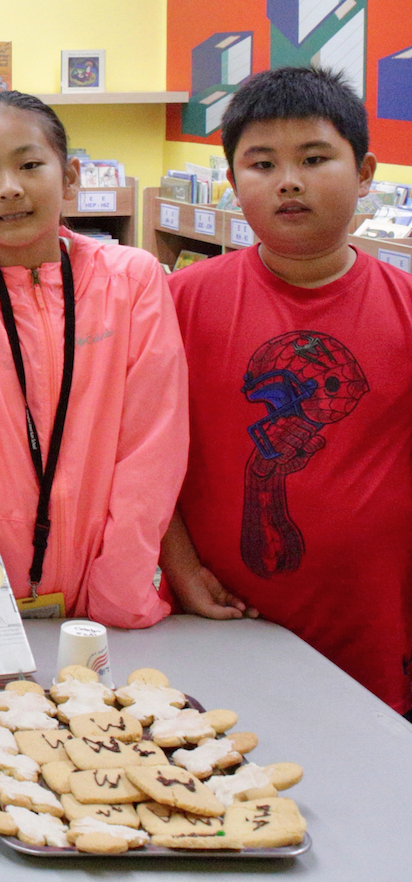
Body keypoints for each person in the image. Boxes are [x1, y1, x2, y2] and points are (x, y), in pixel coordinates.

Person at [163, 66, 412, 714]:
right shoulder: (178, 302)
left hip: (372, 632)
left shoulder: (406, 309)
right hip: (214, 617)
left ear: (365, 173)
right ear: (231, 180)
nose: (289, 181)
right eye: (262, 163)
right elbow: (140, 453)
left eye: (314, 158)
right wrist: (180, 567)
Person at [0, 91, 188, 627]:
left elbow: (151, 446)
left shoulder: (132, 279)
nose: (9, 188)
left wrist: (117, 593)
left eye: (29, 165)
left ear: (70, 177)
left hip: (105, 601)